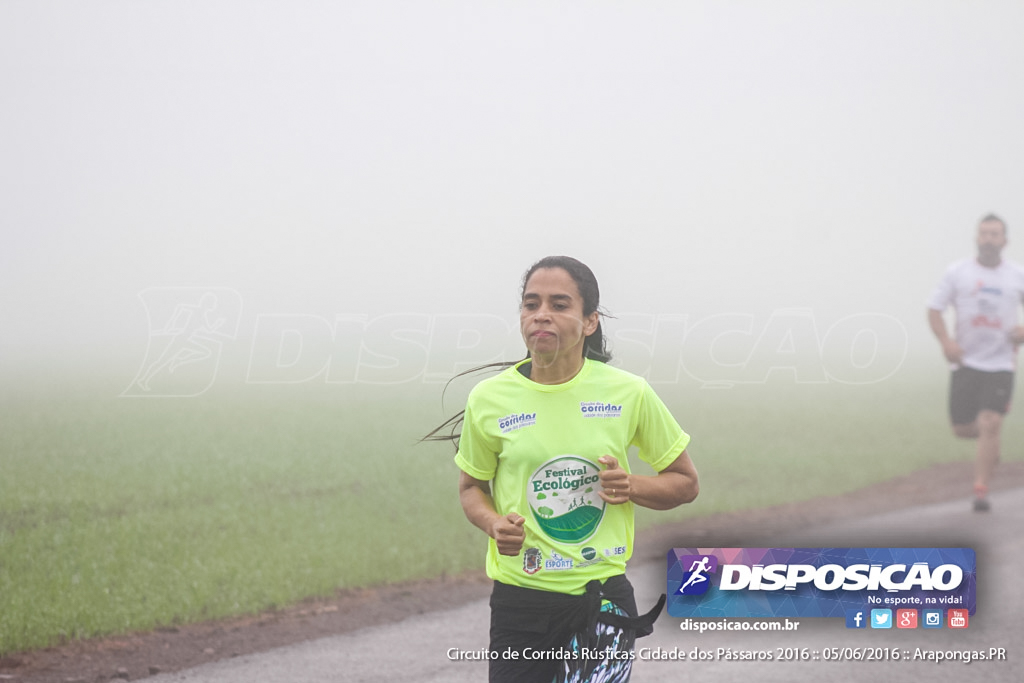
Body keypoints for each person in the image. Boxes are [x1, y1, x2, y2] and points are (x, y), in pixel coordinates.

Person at [425, 256, 699, 682]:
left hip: (602, 601)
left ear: (589, 321)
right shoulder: (489, 398)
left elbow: (684, 484)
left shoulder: (628, 393)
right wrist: (494, 523)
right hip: (521, 604)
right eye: (531, 304)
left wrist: (631, 485)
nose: (542, 315)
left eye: (559, 304)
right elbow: (471, 488)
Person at [927, 214, 1024, 512]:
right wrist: (946, 342)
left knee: (990, 422)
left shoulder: (1017, 275)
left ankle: (980, 490)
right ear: (976, 238)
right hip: (966, 362)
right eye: (983, 234)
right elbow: (934, 309)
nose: (988, 239)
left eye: (994, 234)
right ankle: (990, 444)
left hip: (1000, 364)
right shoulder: (958, 273)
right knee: (963, 428)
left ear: (1004, 241)